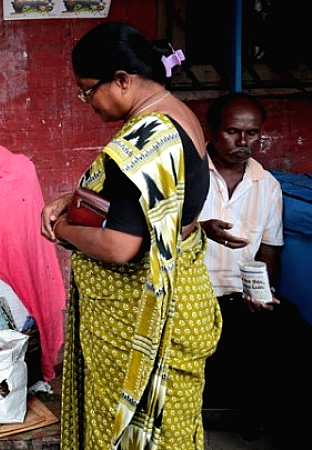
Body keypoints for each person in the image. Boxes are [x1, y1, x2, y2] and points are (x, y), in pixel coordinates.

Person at [41, 23, 220, 449]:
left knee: (135, 433)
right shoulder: (177, 114)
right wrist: (74, 197)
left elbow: (122, 246)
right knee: (171, 430)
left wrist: (63, 231)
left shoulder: (145, 139)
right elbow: (149, 201)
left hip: (143, 319)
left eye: (88, 91)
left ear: (122, 79)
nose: (88, 103)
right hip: (181, 301)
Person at [198, 93, 294, 441]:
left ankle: (258, 423)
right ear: (212, 130)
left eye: (252, 133)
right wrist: (200, 229)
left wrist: (261, 294)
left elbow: (269, 250)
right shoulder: (188, 176)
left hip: (240, 297)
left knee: (290, 331)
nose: (243, 142)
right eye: (232, 131)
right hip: (192, 293)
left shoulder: (267, 185)